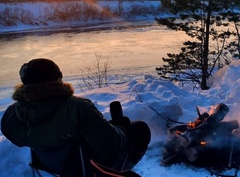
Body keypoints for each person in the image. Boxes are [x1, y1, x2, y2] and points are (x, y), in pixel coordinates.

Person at [1, 58, 151, 176]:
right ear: (57, 78)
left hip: (51, 165)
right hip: (84, 167)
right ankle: (115, 173)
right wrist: (120, 128)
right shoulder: (77, 107)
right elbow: (111, 147)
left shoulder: (13, 113)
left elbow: (22, 138)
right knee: (140, 129)